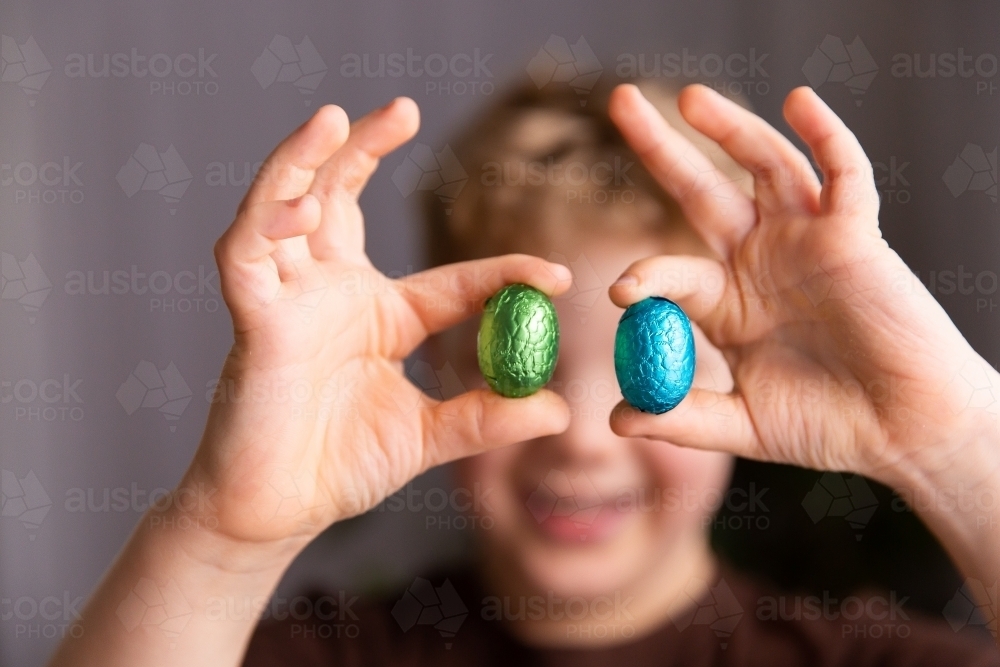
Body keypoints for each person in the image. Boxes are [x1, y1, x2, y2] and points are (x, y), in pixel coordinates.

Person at [48, 79, 1000, 667]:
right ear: (444, 358)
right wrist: (223, 533)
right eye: (529, 371)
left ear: (752, 373)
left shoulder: (862, 655)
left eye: (641, 370)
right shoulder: (340, 650)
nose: (584, 439)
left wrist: (958, 443)